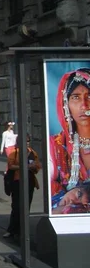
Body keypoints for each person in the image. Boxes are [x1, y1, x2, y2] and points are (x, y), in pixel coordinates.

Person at [49, 68, 90, 209]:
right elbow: (50, 184)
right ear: (65, 104)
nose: (84, 105)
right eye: (76, 97)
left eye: (89, 96)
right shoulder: (56, 145)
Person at [4, 134, 40, 238]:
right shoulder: (14, 153)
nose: (27, 143)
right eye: (25, 141)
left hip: (30, 181)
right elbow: (10, 166)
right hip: (17, 181)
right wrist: (23, 167)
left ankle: (23, 230)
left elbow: (37, 167)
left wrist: (33, 167)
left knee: (26, 206)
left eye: (28, 141)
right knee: (16, 206)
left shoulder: (33, 153)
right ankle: (12, 229)